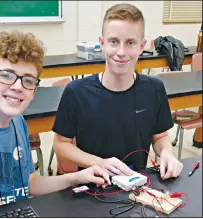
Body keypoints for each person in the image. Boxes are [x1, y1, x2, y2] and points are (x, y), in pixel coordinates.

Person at [0, 31, 111, 217]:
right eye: (7, 75)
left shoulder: (18, 123)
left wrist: (76, 178)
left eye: (28, 80)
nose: (18, 86)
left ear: (33, 92)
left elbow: (29, 183)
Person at [52, 3, 183, 180]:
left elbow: (160, 136)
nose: (121, 52)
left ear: (141, 46)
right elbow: (61, 144)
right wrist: (98, 162)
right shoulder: (76, 92)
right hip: (93, 186)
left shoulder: (154, 89)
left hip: (136, 186)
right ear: (102, 43)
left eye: (130, 43)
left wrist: (167, 153)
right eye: (114, 42)